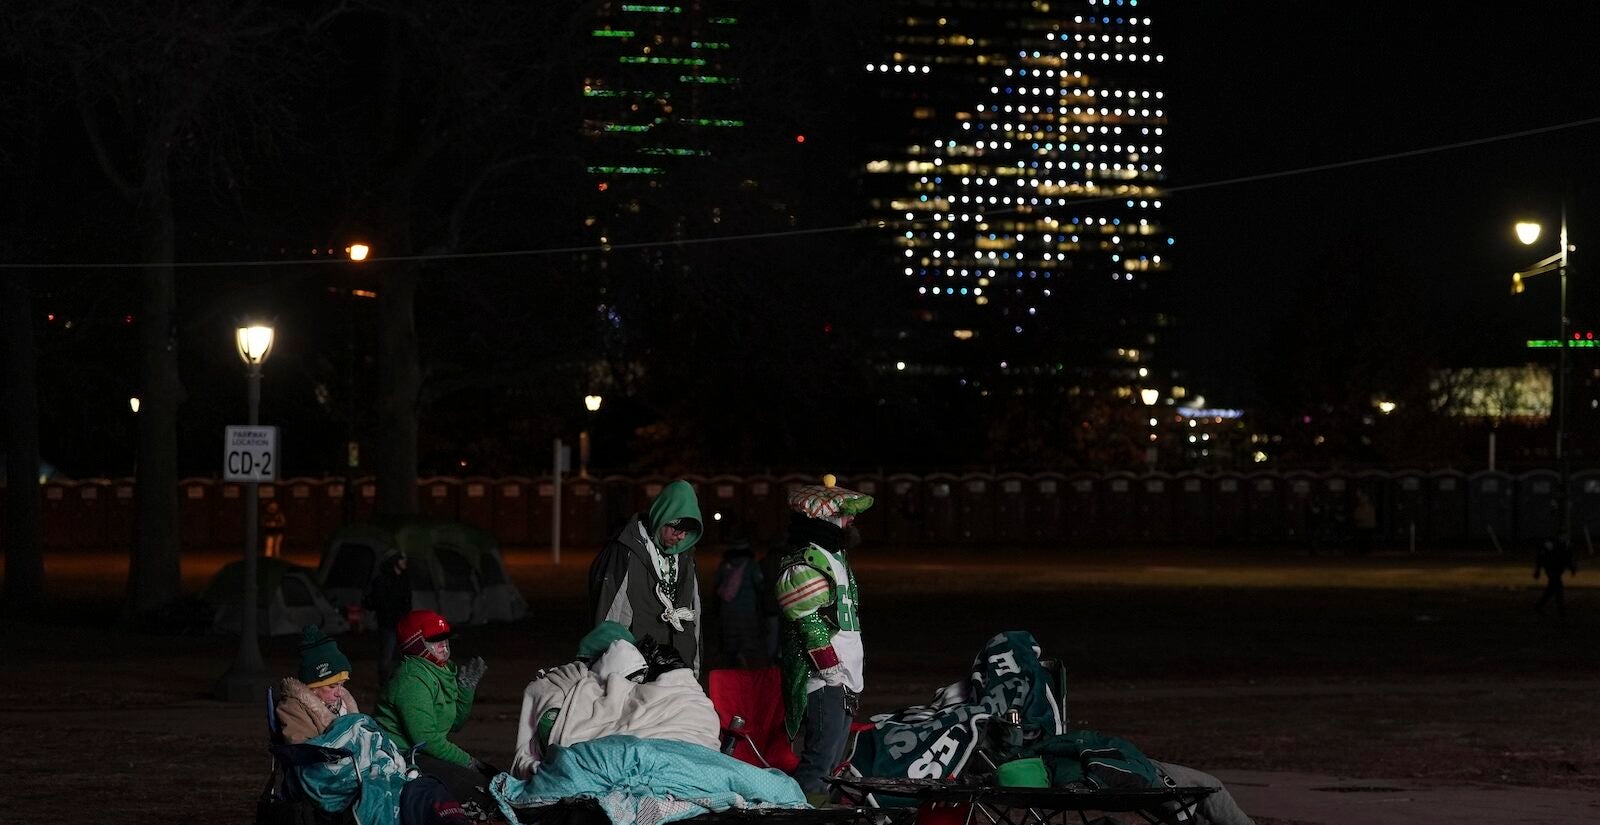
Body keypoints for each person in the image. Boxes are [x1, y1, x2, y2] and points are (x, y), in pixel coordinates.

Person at [774, 474, 874, 798]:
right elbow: (807, 621)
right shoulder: (806, 563)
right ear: (825, 518)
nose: (852, 519)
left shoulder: (836, 558)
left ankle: (819, 811)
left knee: (830, 765)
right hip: (824, 681)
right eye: (845, 513)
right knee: (818, 766)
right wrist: (831, 669)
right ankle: (800, 814)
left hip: (845, 678)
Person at [373, 610, 496, 818]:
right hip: (402, 756)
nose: (444, 645)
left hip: (424, 752)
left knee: (491, 780)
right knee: (479, 791)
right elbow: (426, 739)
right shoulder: (411, 680)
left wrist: (466, 691)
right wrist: (469, 761)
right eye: (435, 640)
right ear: (417, 644)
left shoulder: (443, 671)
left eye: (445, 639)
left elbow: (454, 724)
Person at [589, 479, 705, 675]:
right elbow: (607, 615)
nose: (681, 537)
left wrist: (693, 668)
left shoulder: (686, 558)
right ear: (661, 517)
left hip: (677, 666)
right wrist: (607, 669)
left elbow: (696, 613)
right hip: (635, 664)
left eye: (687, 531)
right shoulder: (625, 551)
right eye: (677, 529)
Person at [276, 624, 360, 743]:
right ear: (313, 687)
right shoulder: (293, 707)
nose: (340, 693)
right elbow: (301, 747)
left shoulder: (345, 703)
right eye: (332, 686)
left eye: (342, 684)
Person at [711, 529, 766, 668]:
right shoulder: (751, 566)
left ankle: (731, 665)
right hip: (747, 609)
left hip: (727, 608)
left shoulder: (724, 565)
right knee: (747, 639)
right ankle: (744, 665)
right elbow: (760, 585)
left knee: (729, 640)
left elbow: (717, 584)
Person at [365, 550, 413, 686]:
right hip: (388, 625)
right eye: (401, 559)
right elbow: (378, 601)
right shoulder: (383, 580)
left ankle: (401, 683)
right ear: (394, 561)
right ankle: (384, 686)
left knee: (404, 656)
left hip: (402, 625)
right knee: (386, 656)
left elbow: (407, 602)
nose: (405, 562)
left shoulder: (404, 579)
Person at [1534, 535, 1578, 618]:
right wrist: (1538, 571)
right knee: (1558, 588)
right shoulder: (1552, 546)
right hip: (1552, 569)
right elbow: (1541, 557)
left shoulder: (1564, 547)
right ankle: (1561, 610)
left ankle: (1539, 605)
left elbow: (1568, 558)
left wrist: (1572, 568)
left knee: (1551, 589)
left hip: (1555, 569)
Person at [1351, 489, 1376, 556]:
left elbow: (1368, 517)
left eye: (1363, 499)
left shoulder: (1369, 508)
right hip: (1362, 526)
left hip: (1367, 526)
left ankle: (1367, 551)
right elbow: (1355, 516)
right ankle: (1362, 551)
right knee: (1362, 540)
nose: (1362, 500)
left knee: (1367, 540)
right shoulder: (1359, 508)